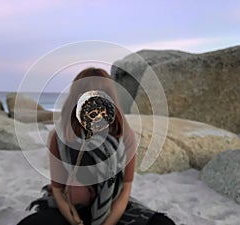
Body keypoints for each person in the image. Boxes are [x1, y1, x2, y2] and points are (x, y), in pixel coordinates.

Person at [17, 68, 175, 225]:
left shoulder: (124, 136)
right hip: (70, 207)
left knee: (162, 223)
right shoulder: (61, 137)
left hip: (111, 206)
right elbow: (58, 190)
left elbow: (125, 189)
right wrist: (76, 221)